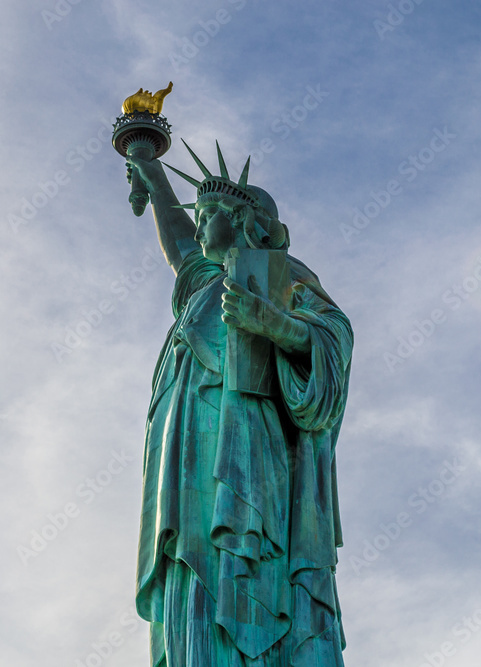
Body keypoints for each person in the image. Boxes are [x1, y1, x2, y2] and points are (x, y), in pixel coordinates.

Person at [126, 142, 352, 666]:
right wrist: (150, 169)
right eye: (198, 216)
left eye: (209, 215)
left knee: (247, 570)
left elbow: (333, 336)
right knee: (194, 583)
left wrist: (271, 323)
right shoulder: (205, 285)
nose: (199, 225)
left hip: (251, 456)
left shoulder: (275, 273)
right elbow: (181, 246)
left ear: (246, 222)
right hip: (186, 460)